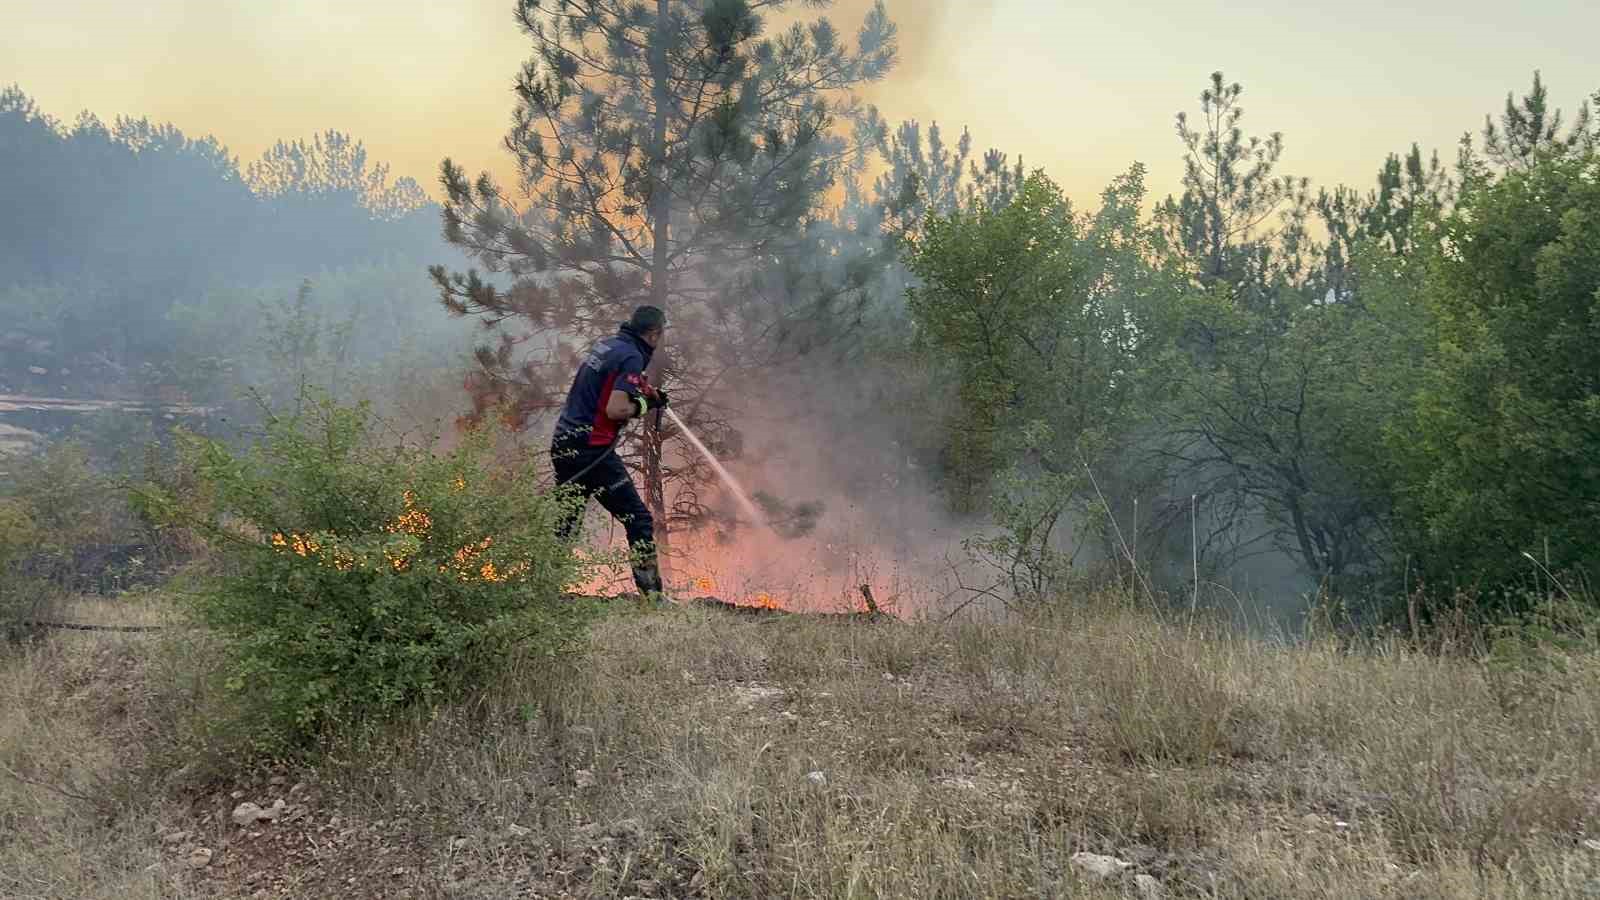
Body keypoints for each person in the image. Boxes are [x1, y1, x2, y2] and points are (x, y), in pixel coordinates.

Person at [550, 305, 670, 595]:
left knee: (566, 524)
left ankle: (542, 591)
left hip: (565, 443)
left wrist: (643, 388)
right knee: (638, 520)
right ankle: (653, 598)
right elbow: (616, 409)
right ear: (654, 334)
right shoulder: (632, 356)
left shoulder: (610, 345)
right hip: (592, 451)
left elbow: (606, 379)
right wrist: (644, 405)